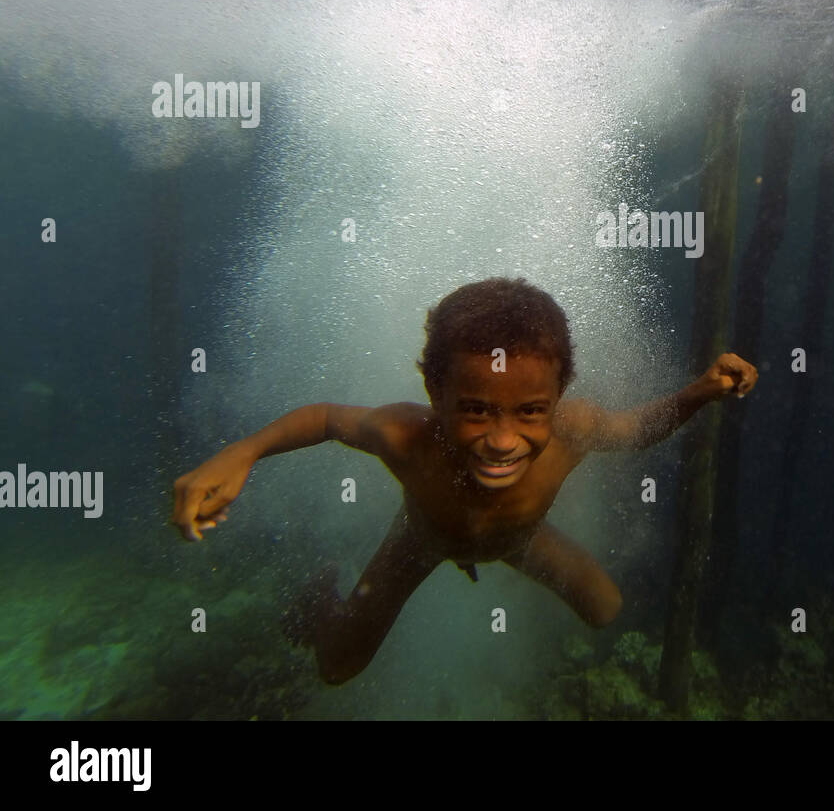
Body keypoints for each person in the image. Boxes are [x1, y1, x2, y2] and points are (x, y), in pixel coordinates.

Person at [171, 276, 757, 684]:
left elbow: (634, 430)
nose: (502, 440)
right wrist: (241, 453)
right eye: (476, 409)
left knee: (605, 607)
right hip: (423, 540)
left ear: (558, 398)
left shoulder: (574, 429)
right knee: (336, 666)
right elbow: (327, 418)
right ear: (436, 395)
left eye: (530, 411)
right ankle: (319, 603)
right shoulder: (406, 436)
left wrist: (697, 394)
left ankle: (488, 553)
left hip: (516, 540)